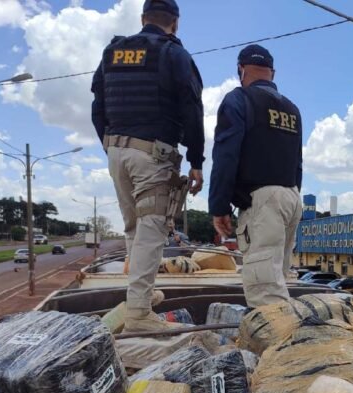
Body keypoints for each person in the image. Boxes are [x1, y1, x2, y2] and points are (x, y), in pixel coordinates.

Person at [91, 0, 204, 332]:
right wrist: (196, 161)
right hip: (153, 154)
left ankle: (141, 294)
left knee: (133, 228)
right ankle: (139, 314)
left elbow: (98, 107)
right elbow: (192, 109)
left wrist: (111, 145)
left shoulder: (112, 52)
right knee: (152, 230)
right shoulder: (174, 54)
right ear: (175, 23)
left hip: (116, 150)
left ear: (143, 19)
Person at [209, 44, 303, 307]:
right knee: (278, 280)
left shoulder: (238, 99)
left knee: (265, 292)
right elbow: (298, 163)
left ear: (241, 69)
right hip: (291, 197)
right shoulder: (292, 109)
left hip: (263, 202)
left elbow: (226, 155)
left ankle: (277, 345)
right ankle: (286, 340)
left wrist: (219, 206)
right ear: (272, 73)